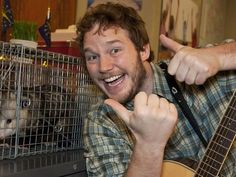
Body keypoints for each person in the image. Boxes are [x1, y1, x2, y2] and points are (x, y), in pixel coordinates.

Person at [76, 2, 236, 177]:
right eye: (92, 56)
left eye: (114, 50)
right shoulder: (101, 121)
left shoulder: (196, 72)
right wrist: (149, 143)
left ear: (143, 50)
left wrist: (219, 57)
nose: (103, 67)